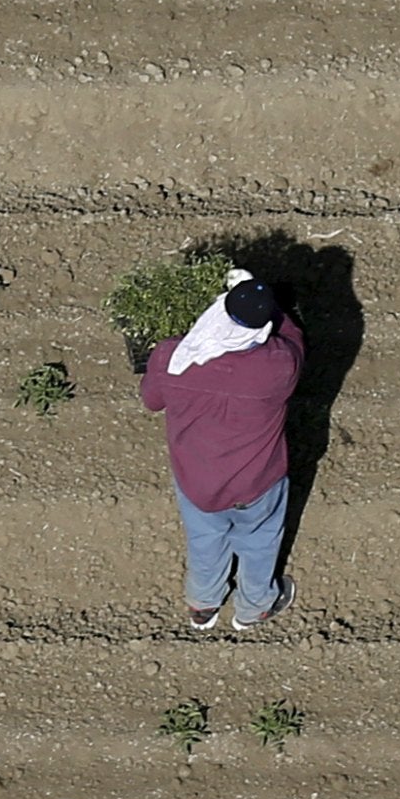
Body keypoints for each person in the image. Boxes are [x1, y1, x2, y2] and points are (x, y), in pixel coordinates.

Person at [140, 269, 304, 631]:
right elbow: (293, 339)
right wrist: (274, 308)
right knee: (259, 541)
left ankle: (203, 604)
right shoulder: (279, 366)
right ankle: (253, 608)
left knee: (205, 538)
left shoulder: (174, 356)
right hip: (258, 482)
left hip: (197, 479)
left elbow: (152, 400)